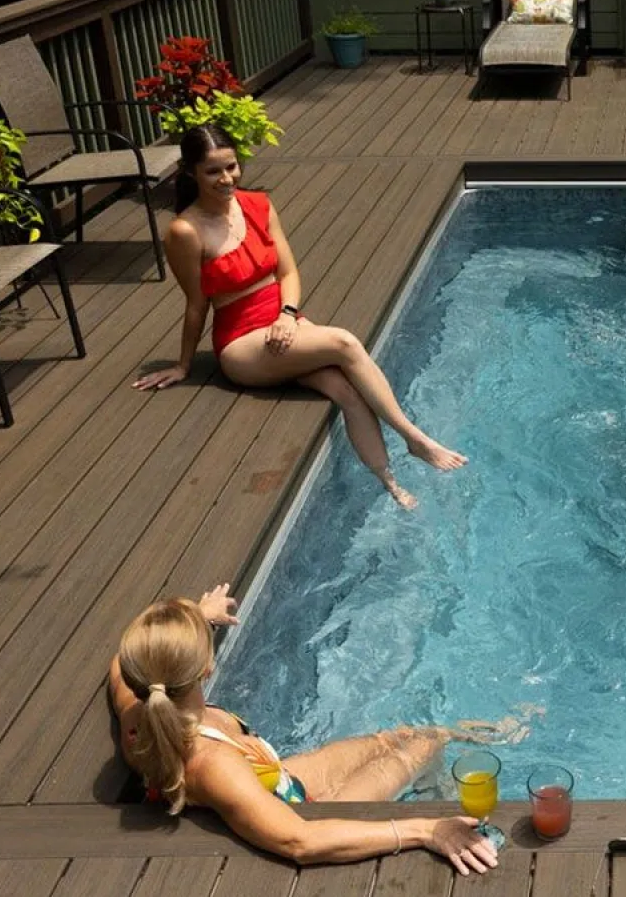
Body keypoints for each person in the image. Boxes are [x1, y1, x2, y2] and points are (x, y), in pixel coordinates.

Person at [132, 124, 464, 510]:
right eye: (213, 171)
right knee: (344, 342)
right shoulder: (184, 231)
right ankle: (414, 438)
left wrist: (288, 315)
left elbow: (287, 272)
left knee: (346, 391)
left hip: (284, 323)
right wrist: (183, 365)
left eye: (231, 167)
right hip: (242, 342)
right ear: (191, 173)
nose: (226, 178)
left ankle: (389, 484)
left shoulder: (258, 205)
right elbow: (195, 304)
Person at [110, 584, 526, 870]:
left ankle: (447, 760)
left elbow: (121, 663)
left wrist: (199, 619)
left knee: (398, 737)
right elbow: (301, 842)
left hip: (277, 778)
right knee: (424, 746)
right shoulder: (213, 765)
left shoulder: (140, 706)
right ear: (205, 667)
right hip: (301, 809)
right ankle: (439, 796)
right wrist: (426, 831)